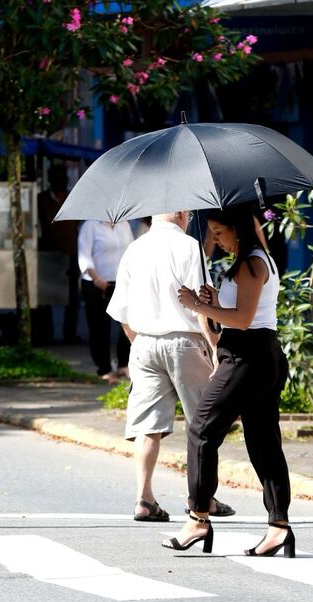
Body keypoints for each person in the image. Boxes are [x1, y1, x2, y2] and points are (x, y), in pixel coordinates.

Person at [163, 205, 293, 558]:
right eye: (214, 233)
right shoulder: (249, 262)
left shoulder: (253, 263)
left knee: (202, 428)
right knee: (263, 441)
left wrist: (199, 306)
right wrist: (214, 302)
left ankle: (198, 516)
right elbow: (237, 317)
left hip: (249, 358)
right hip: (254, 355)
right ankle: (278, 526)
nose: (216, 240)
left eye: (220, 232)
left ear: (238, 229)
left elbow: (245, 319)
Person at [106, 210, 235, 523]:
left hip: (144, 343)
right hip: (185, 343)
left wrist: (139, 343)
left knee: (147, 427)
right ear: (180, 214)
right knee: (202, 425)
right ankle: (203, 498)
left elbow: (122, 311)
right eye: (189, 214)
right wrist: (215, 347)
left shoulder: (134, 248)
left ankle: (144, 498)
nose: (190, 219)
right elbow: (201, 304)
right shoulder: (189, 246)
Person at [78, 219, 134, 382]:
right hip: (96, 283)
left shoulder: (124, 224)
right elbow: (84, 257)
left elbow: (130, 252)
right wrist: (97, 280)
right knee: (99, 327)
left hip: (121, 282)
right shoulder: (90, 226)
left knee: (127, 322)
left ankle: (123, 364)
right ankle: (104, 368)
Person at [38, 165, 81, 343]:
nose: (60, 180)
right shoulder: (41, 200)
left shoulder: (74, 198)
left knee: (72, 298)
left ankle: (69, 334)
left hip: (71, 253)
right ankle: (45, 334)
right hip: (48, 253)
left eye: (62, 177)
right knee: (45, 296)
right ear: (49, 179)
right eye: (56, 177)